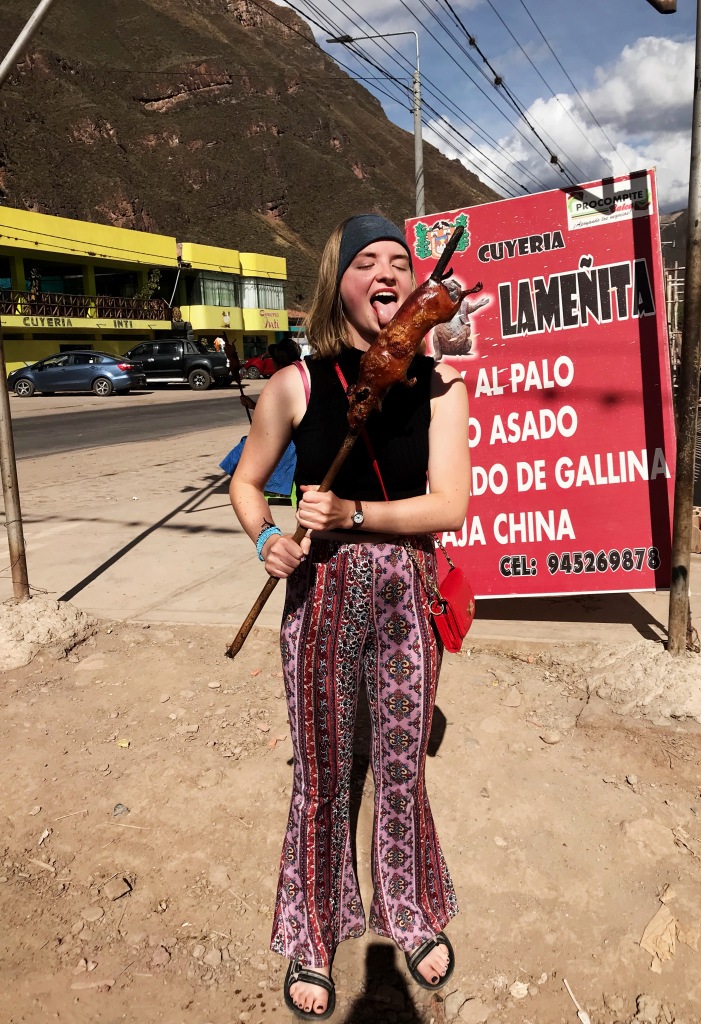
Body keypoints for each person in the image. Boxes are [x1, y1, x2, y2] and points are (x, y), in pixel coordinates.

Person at [229, 214, 471, 1020]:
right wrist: (268, 535)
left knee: (402, 763)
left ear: (416, 288)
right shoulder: (296, 383)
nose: (387, 272)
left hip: (407, 589)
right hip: (323, 595)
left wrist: (356, 515)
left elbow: (449, 507)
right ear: (340, 282)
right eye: (366, 261)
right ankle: (311, 925)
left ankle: (407, 905)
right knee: (324, 773)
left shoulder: (441, 384)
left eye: (399, 262)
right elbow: (247, 481)